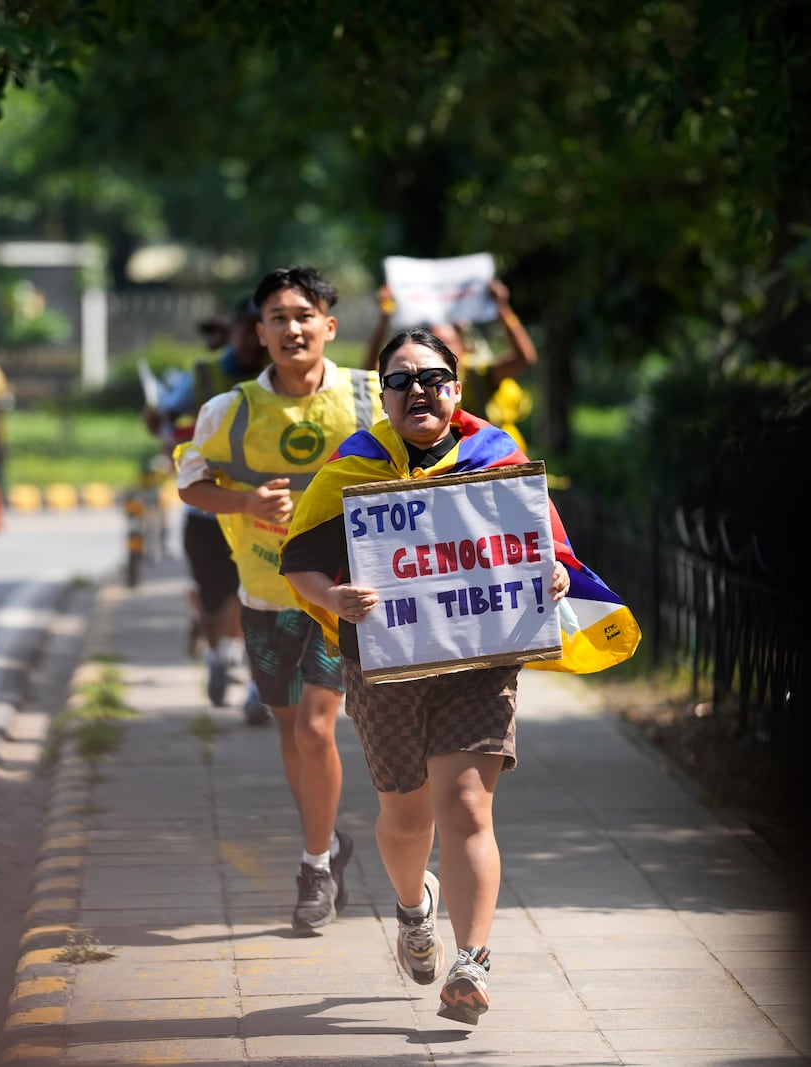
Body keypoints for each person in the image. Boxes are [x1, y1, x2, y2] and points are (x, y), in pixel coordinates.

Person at [281, 327, 638, 1024]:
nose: (419, 391)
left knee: (469, 805)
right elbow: (299, 562)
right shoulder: (352, 468)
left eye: (434, 378)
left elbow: (549, 551)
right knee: (406, 815)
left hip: (480, 660)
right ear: (382, 395)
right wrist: (331, 597)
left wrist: (557, 574)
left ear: (456, 387)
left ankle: (472, 961)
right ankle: (415, 907)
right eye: (402, 380)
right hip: (384, 666)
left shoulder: (495, 458)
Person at [174, 265, 385, 931]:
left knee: (319, 727)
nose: (291, 328)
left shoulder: (370, 398)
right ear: (258, 333)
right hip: (264, 596)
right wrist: (243, 501)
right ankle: (327, 841)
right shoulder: (228, 411)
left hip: (336, 602)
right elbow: (189, 483)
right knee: (293, 734)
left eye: (304, 315)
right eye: (277, 318)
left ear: (329, 325)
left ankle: (314, 868)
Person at [150, 297, 270, 724]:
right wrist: (163, 429)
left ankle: (258, 687)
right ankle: (218, 656)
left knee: (258, 599)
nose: (255, 341)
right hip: (206, 512)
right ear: (235, 332)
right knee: (213, 597)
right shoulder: (203, 376)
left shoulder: (287, 379)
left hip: (264, 516)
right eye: (248, 330)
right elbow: (164, 416)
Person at [362, 275, 538, 449]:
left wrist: (503, 309)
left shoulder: (478, 374)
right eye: (432, 344)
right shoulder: (414, 382)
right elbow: (371, 373)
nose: (439, 351)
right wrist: (384, 316)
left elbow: (524, 358)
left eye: (446, 343)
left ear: (457, 390)